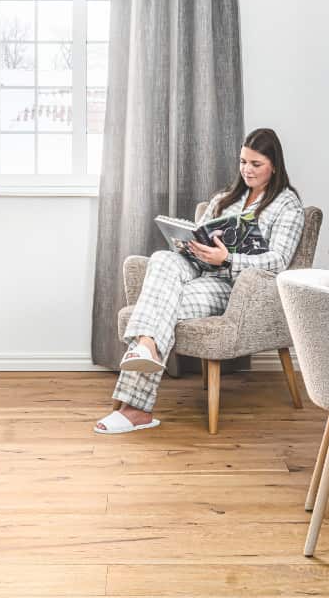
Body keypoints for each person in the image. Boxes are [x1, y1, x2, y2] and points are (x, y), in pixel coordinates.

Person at [94, 128, 305, 434]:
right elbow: (199, 236)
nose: (247, 169)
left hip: (234, 288)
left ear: (274, 165)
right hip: (200, 270)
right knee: (162, 258)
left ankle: (135, 406)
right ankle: (147, 347)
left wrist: (228, 259)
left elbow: (279, 261)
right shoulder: (225, 198)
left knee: (159, 306)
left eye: (256, 164)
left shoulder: (287, 206)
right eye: (243, 162)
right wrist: (188, 245)